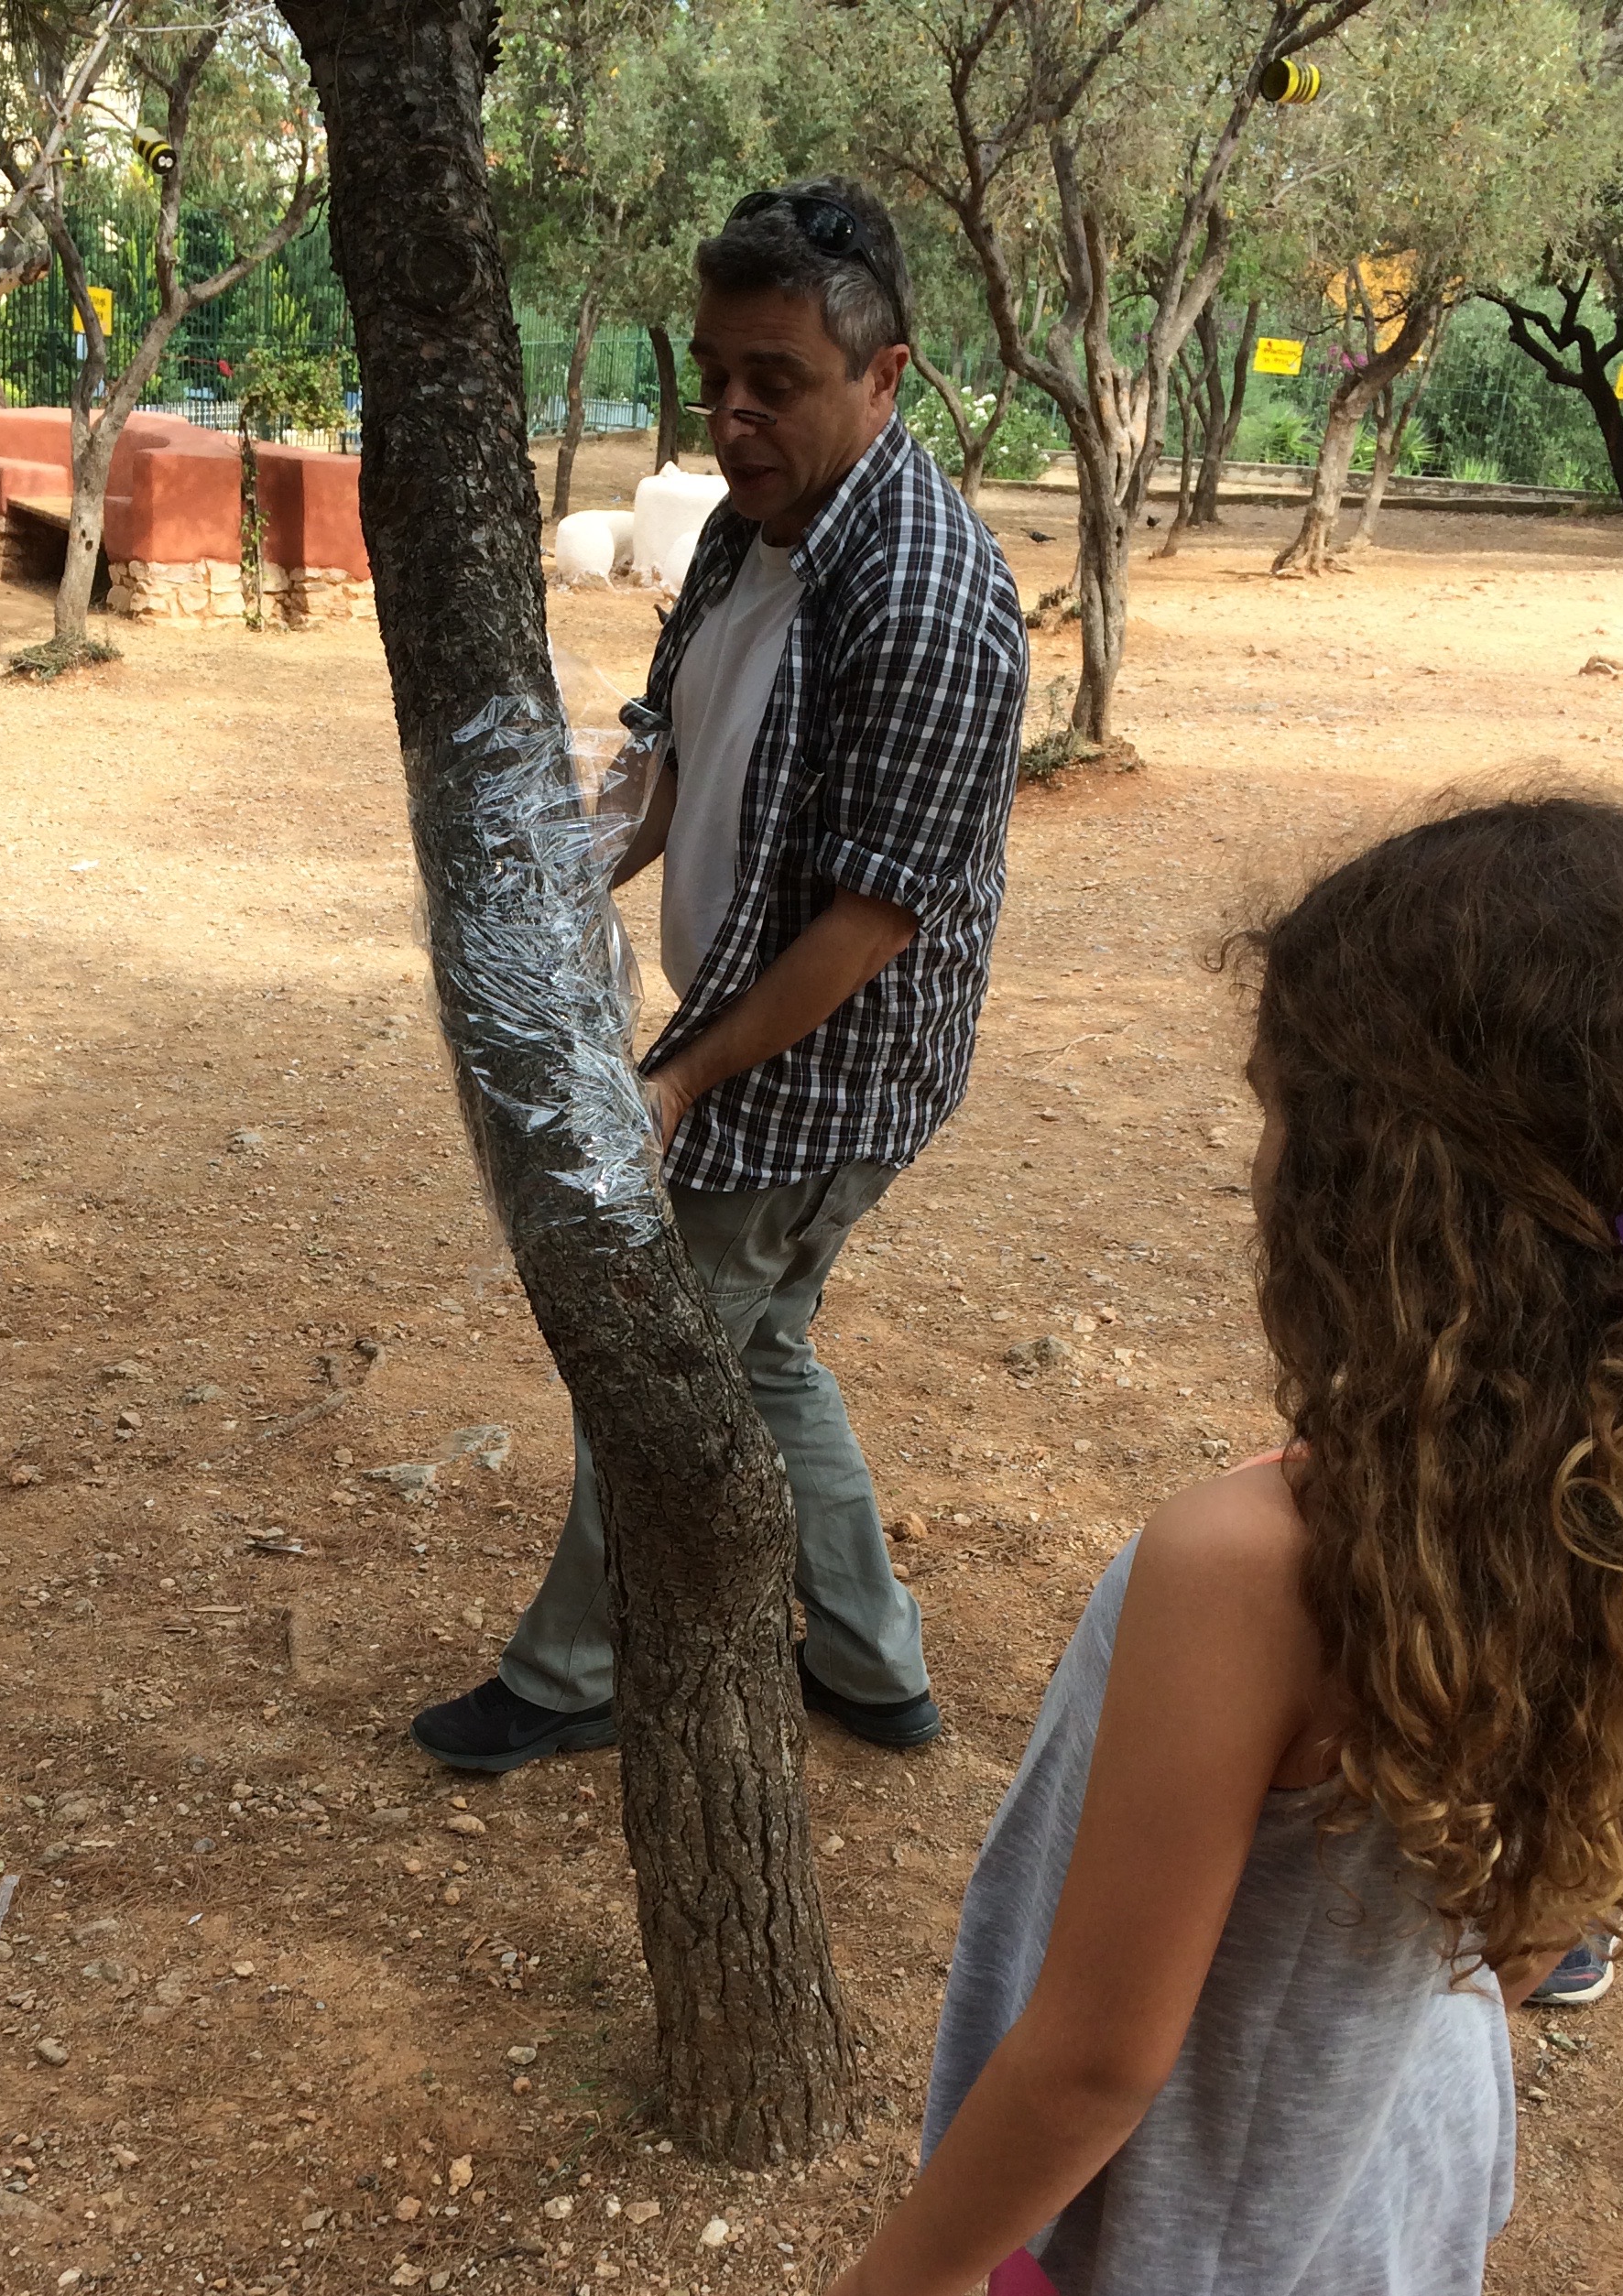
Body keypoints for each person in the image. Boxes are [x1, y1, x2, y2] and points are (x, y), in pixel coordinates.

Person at [807, 795, 1623, 2296]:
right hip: (1375, 2166)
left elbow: (1100, 2058)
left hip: (1178, 2217)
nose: (1261, 1165)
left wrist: (891, 2290)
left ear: (1386, 1188)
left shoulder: (1253, 1563)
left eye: (1289, 1119)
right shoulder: (1621, 1501)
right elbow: (1546, 1923)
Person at [412, 177, 1028, 1775]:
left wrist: (682, 1077)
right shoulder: (755, 530)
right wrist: (554, 876)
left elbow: (873, 924)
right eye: (716, 375)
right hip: (747, 1025)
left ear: (884, 377)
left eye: (778, 381)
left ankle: (571, 1673)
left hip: (824, 1069)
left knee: (664, 1355)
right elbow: (669, 750)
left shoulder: (929, 596)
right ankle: (873, 1662)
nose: (733, 416)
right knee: (753, 1350)